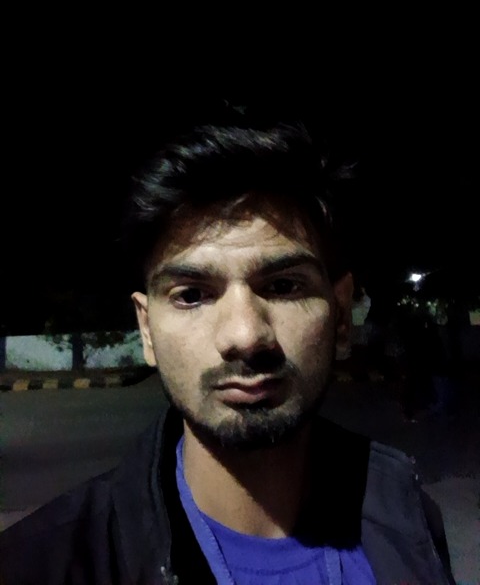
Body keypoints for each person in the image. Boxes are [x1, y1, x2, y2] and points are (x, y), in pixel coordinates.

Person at [0, 116, 455, 584]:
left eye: (283, 285)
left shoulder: (409, 519)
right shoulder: (37, 566)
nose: (245, 335)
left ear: (341, 317)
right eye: (192, 295)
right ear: (147, 330)